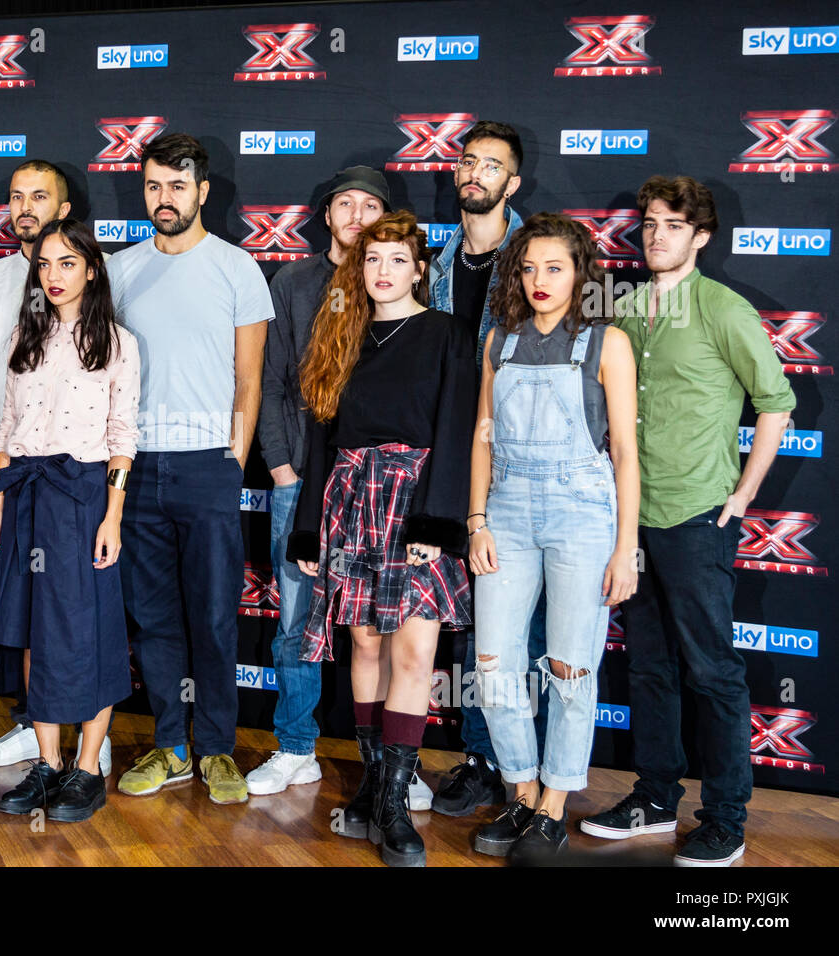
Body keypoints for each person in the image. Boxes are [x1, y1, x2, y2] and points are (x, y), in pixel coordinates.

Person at [579, 176, 795, 866]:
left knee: (712, 671)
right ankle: (654, 796)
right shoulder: (628, 308)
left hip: (698, 514)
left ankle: (726, 816)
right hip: (630, 518)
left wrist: (741, 496)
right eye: (649, 223)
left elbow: (776, 403)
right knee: (648, 667)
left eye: (673, 225)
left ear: (702, 235)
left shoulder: (725, 309)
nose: (656, 235)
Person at [290, 210, 476, 867]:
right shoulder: (339, 333)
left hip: (416, 499)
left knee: (414, 652)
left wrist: (436, 520)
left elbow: (457, 426)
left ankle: (396, 801)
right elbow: (318, 440)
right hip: (349, 499)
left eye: (397, 260)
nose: (382, 272)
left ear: (420, 268)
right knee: (364, 644)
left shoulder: (447, 333)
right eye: (372, 261)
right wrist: (308, 528)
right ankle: (372, 788)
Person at [253, 165, 437, 807]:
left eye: (371, 206)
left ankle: (394, 768)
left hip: (387, 496)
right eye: (345, 204)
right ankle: (297, 747)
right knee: (301, 622)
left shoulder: (403, 310)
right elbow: (273, 383)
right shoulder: (297, 283)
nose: (356, 216)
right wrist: (283, 469)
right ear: (326, 215)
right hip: (306, 485)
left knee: (389, 633)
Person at [467, 213, 639, 864]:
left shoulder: (606, 344)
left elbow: (624, 450)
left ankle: (554, 810)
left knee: (569, 668)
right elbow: (482, 434)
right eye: (529, 268)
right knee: (492, 666)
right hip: (506, 508)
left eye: (555, 267)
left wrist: (626, 548)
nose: (540, 280)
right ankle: (523, 790)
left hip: (582, 512)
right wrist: (477, 521)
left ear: (581, 273)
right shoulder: (498, 343)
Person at [108, 133, 272, 805]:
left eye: (177, 187)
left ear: (203, 192)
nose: (164, 199)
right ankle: (170, 746)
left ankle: (218, 749)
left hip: (208, 466)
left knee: (211, 616)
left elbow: (250, 382)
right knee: (151, 617)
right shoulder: (117, 270)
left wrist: (231, 463)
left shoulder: (237, 269)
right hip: (136, 467)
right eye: (153, 187)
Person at [0, 220, 139, 822]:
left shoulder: (119, 343)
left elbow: (123, 438)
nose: (53, 275)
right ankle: (47, 764)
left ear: (91, 270)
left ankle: (89, 765)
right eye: (44, 264)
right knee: (30, 628)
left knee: (91, 633)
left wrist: (113, 516)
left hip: (83, 500)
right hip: (25, 498)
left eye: (67, 263)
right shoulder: (24, 336)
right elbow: (7, 431)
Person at [0, 161, 110, 775]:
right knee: (26, 616)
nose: (25, 206)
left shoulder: (105, 321)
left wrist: (114, 502)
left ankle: (86, 754)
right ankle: (38, 740)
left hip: (78, 485)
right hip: (17, 475)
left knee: (79, 619)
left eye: (38, 196)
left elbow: (115, 418)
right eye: (15, 196)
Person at [428, 119, 548, 817]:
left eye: (491, 165)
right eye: (468, 161)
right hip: (451, 458)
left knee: (518, 631)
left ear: (514, 182)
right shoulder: (435, 261)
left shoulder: (538, 259)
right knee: (475, 624)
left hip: (522, 464)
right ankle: (479, 759)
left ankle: (522, 773)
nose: (475, 173)